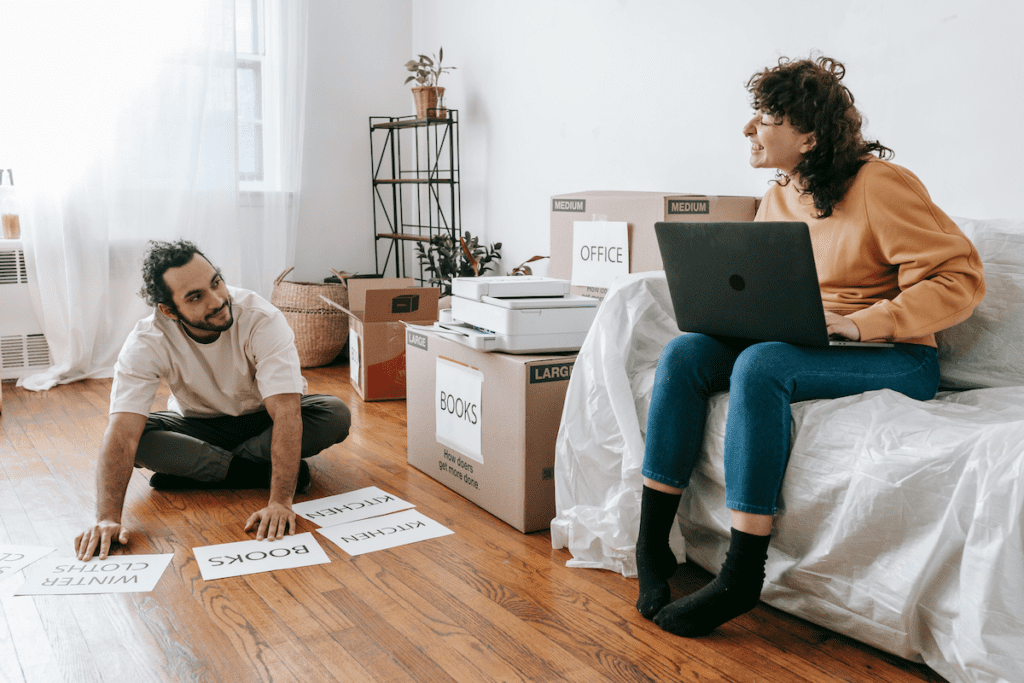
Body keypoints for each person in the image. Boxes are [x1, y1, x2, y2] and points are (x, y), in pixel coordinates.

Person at [635, 56, 985, 637]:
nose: (749, 129)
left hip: (897, 355)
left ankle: (741, 575)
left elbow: (961, 279)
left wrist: (862, 323)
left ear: (811, 135)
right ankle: (651, 546)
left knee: (761, 364)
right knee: (686, 353)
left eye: (766, 118)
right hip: (809, 340)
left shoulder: (880, 186)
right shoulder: (778, 195)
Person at [75, 240, 351, 561]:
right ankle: (254, 471)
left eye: (215, 282)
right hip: (197, 425)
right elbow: (122, 432)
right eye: (195, 297)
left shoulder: (261, 318)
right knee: (135, 440)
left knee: (334, 414)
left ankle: (205, 471)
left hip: (263, 420)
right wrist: (107, 519)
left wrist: (279, 502)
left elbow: (288, 414)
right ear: (168, 310)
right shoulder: (147, 340)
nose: (218, 300)